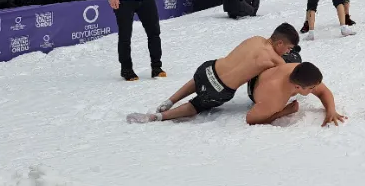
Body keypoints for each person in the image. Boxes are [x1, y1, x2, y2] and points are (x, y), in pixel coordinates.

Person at [125, 23, 300, 123]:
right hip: (219, 89)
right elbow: (287, 74)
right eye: (288, 48)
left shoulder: (255, 39)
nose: (287, 52)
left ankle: (170, 100)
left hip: (208, 69)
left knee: (197, 81)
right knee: (195, 106)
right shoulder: (276, 59)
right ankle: (159, 116)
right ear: (279, 44)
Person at [245, 62, 345, 127]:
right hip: (254, 87)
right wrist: (283, 112)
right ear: (297, 87)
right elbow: (251, 119)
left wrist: (331, 110)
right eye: (311, 88)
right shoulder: (275, 99)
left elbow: (324, 91)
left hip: (271, 71)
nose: (315, 90)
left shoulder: (298, 69)